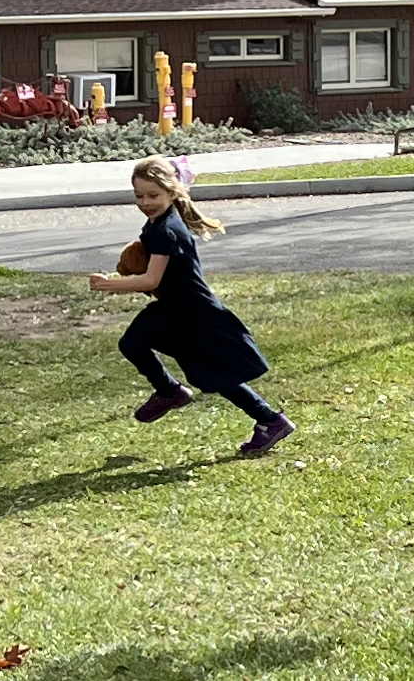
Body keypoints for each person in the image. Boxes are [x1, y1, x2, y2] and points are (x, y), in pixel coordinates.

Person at [90, 156, 293, 458]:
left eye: (153, 195)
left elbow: (150, 280)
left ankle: (269, 420)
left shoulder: (166, 231)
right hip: (174, 308)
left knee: (214, 374)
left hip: (193, 313)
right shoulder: (159, 221)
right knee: (133, 343)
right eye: (139, 196)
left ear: (172, 193)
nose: (145, 202)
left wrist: (110, 284)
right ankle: (171, 391)